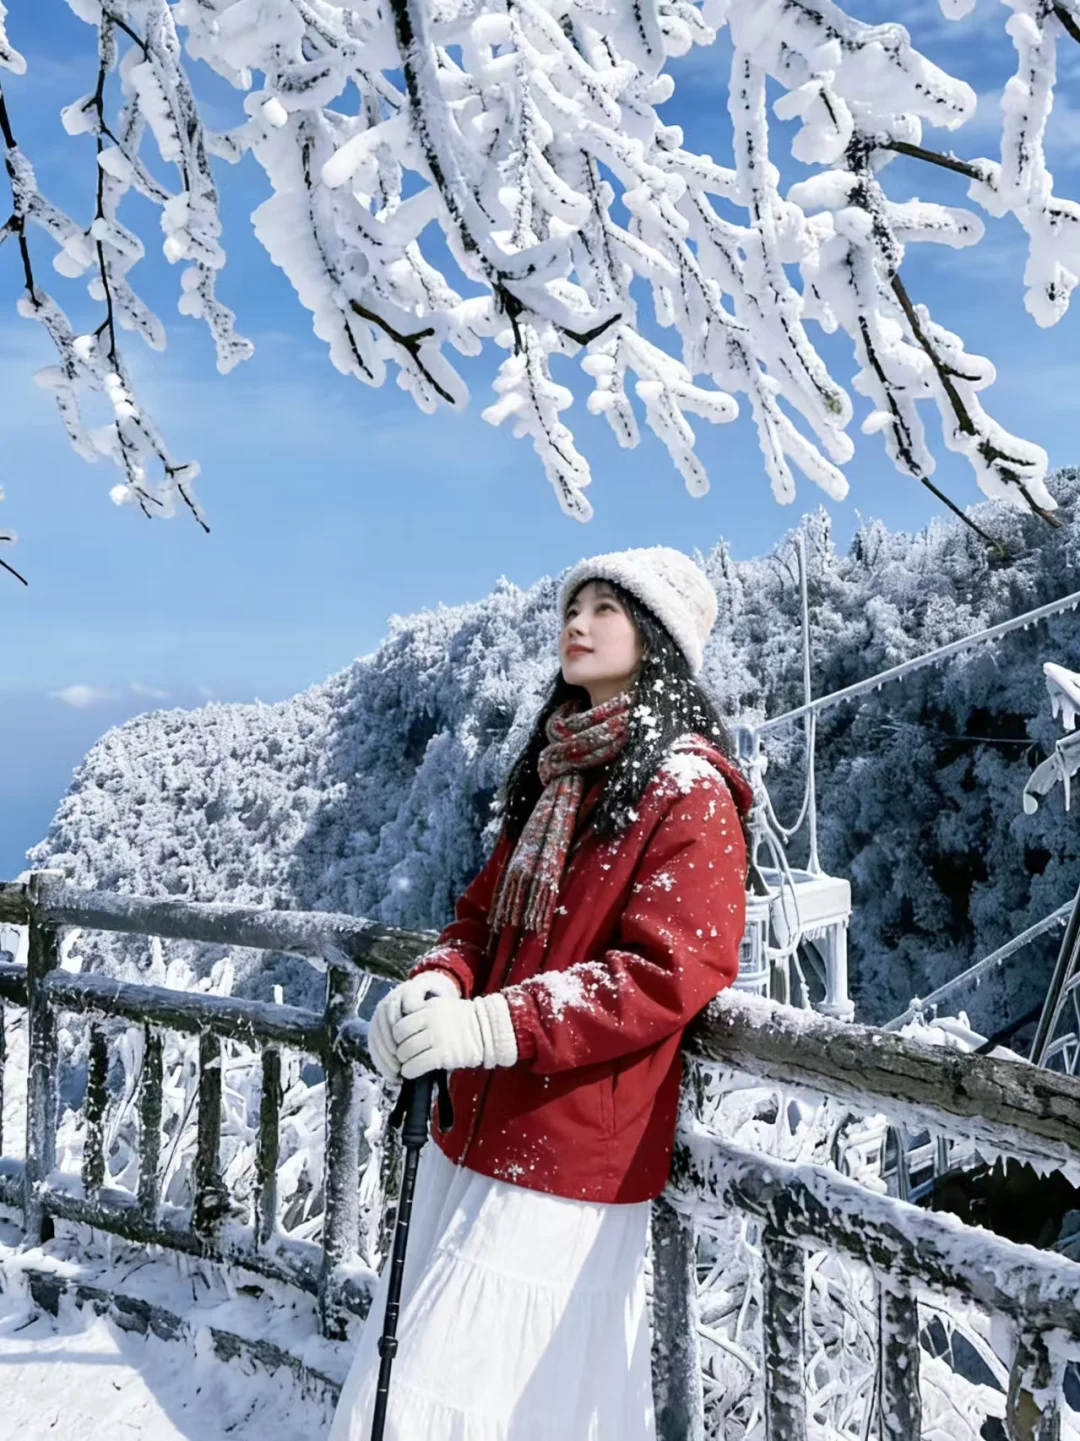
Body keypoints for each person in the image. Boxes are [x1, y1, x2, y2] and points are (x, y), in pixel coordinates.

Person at [329, 545, 752, 1441]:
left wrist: (489, 1024)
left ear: (659, 638)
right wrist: (436, 983)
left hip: (570, 1151)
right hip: (477, 1128)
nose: (577, 621)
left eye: (606, 607)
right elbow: (480, 918)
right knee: (459, 1390)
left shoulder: (689, 792)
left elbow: (667, 972)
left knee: (443, 1403)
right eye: (574, 605)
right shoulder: (563, 776)